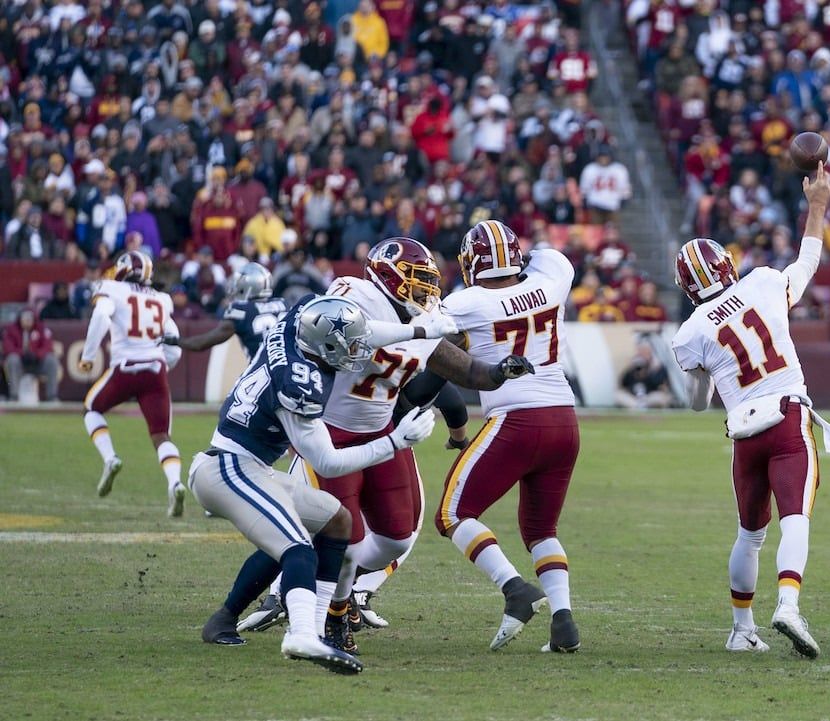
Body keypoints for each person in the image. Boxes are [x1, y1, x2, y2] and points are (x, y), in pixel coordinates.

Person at [231, 239, 533, 653]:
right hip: (331, 432)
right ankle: (328, 617)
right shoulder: (355, 296)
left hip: (381, 433)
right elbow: (358, 335)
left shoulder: (422, 317)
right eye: (419, 281)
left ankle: (338, 590)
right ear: (390, 277)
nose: (427, 291)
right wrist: (420, 329)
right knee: (345, 540)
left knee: (396, 536)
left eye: (430, 282)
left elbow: (458, 367)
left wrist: (499, 373)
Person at [189, 294, 445, 672]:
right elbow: (328, 462)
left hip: (250, 465)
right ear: (326, 348)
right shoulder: (299, 383)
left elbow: (366, 331)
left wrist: (421, 329)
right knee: (297, 549)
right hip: (226, 468)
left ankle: (232, 620)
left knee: (336, 522)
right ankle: (302, 635)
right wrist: (395, 442)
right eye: (351, 347)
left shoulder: (299, 322)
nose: (360, 350)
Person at [670, 164, 830, 658]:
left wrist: (711, 372)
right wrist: (817, 204)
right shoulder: (764, 282)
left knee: (750, 534)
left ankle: (740, 629)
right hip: (788, 416)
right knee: (795, 517)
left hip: (744, 433)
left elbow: (694, 404)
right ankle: (789, 605)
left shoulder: (690, 332)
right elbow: (809, 259)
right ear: (727, 265)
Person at [438, 220, 581, 653]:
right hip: (564, 419)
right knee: (541, 528)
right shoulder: (552, 275)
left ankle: (515, 589)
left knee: (452, 513)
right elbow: (543, 255)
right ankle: (564, 622)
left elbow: (432, 347)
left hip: (516, 420)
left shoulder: (463, 302)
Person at [80, 251, 185, 516]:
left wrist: (88, 356)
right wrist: (162, 366)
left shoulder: (112, 289)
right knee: (161, 435)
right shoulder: (163, 299)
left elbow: (101, 317)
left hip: (126, 367)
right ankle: (175, 483)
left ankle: (110, 458)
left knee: (91, 409)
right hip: (155, 370)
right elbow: (174, 343)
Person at [162, 263, 285, 358]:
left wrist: (176, 341)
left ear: (250, 286)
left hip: (264, 371)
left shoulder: (239, 311)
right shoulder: (283, 304)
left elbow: (200, 344)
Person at [4, 309, 59, 402]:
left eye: (30, 319)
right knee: (12, 359)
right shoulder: (11, 330)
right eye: (25, 319)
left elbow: (48, 346)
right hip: (20, 364)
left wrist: (36, 355)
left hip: (37, 363)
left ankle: (52, 396)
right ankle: (14, 396)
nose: (27, 321)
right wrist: (23, 354)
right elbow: (8, 348)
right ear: (20, 319)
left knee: (51, 361)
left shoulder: (41, 329)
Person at [616, 338, 672, 409]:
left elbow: (660, 384)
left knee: (662, 398)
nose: (642, 354)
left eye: (645, 352)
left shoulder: (657, 366)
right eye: (640, 352)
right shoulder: (634, 366)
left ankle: (640, 407)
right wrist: (631, 370)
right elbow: (623, 383)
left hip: (650, 396)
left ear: (650, 352)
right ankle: (637, 406)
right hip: (633, 397)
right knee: (619, 396)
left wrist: (649, 373)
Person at [578, 149, 632, 223]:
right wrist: (585, 201)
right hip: (595, 204)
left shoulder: (619, 169)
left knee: (613, 231)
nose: (603, 159)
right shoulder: (590, 169)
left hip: (613, 205)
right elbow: (584, 188)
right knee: (596, 230)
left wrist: (624, 200)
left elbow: (625, 188)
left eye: (605, 157)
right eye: (601, 157)